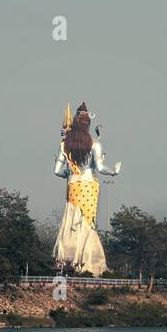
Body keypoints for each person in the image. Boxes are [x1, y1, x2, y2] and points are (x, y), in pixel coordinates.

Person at [52, 101, 121, 277]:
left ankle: (67, 259)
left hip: (73, 185)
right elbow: (100, 168)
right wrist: (113, 171)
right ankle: (88, 263)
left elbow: (57, 171)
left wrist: (69, 172)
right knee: (87, 223)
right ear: (87, 124)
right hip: (89, 186)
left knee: (71, 221)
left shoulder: (64, 145)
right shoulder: (94, 144)